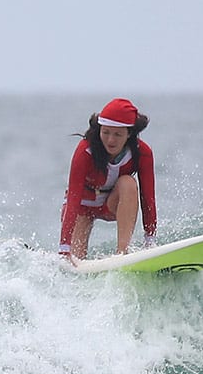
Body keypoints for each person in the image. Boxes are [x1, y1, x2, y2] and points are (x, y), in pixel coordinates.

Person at [59, 97, 156, 261]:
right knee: (75, 260)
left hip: (111, 205)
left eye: (118, 134)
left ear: (129, 133)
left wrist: (150, 241)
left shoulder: (142, 152)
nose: (111, 140)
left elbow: (148, 198)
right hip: (82, 207)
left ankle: (122, 254)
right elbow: (73, 198)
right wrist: (64, 248)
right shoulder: (85, 151)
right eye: (105, 132)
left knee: (128, 183)